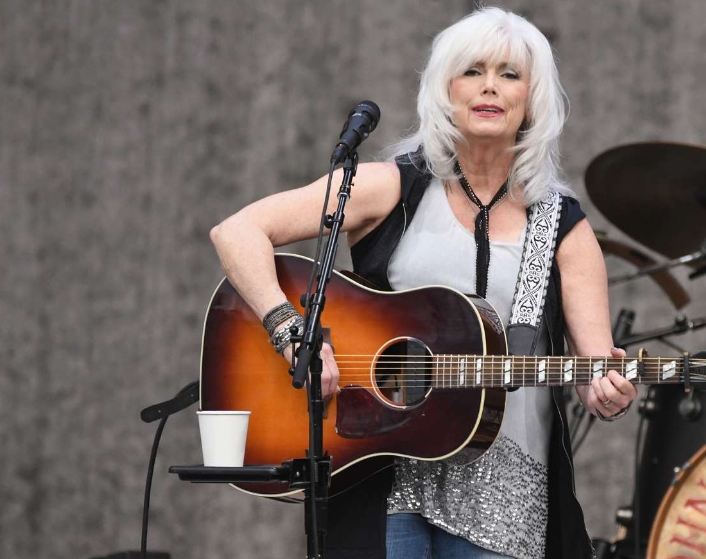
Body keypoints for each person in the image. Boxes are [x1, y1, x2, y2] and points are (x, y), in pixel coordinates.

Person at [210, 7, 637, 559]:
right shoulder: (389, 188)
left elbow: (593, 370)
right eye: (472, 71)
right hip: (382, 470)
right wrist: (292, 331)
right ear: (444, 90)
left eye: (510, 74)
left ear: (533, 99)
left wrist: (607, 391)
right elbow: (236, 232)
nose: (489, 87)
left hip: (505, 493)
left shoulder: (564, 228)